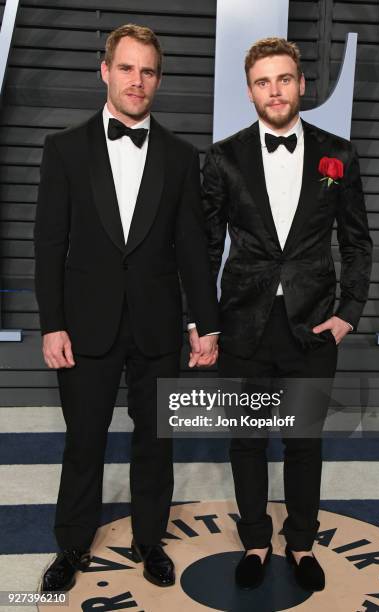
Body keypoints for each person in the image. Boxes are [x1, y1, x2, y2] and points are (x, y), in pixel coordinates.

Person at [35, 24, 219, 592]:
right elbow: (49, 243)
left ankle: (149, 539)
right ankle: (71, 544)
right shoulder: (63, 147)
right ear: (105, 70)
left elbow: (193, 248)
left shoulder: (182, 156)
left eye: (148, 71)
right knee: (83, 439)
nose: (137, 81)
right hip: (84, 323)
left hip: (157, 324)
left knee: (156, 439)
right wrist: (52, 324)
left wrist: (205, 323)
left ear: (158, 80)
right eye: (127, 68)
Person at [201, 37, 372, 591]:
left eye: (283, 79)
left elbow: (357, 242)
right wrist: (202, 321)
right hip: (244, 323)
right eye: (262, 82)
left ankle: (301, 544)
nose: (274, 91)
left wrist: (348, 312)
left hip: (314, 324)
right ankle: (255, 540)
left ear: (301, 84)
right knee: (247, 441)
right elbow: (205, 248)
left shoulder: (337, 154)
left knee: (304, 443)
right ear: (249, 91)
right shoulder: (223, 157)